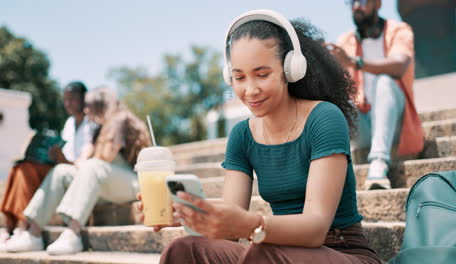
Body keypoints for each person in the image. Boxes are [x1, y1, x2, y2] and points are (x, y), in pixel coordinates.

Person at [138, 9, 382, 264]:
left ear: (290, 69)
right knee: (183, 249)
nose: (250, 90)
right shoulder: (242, 135)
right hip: (273, 251)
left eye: (262, 74)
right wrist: (191, 215)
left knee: (264, 251)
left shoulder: (324, 118)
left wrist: (253, 225)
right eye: (239, 77)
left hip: (341, 252)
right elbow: (230, 232)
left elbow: (316, 228)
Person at [4, 86, 151, 255]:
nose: (86, 111)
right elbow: (86, 163)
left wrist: (85, 158)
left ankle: (73, 233)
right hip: (108, 180)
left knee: (93, 165)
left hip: (134, 181)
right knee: (61, 171)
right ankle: (33, 233)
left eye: (89, 107)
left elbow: (104, 158)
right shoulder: (100, 128)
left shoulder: (119, 120)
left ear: (100, 106)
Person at [327, 0, 424, 189]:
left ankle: (378, 164)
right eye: (351, 2)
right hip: (362, 126)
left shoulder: (399, 30)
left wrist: (355, 62)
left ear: (378, 4)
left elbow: (399, 66)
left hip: (397, 126)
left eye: (362, 1)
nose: (356, 6)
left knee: (385, 81)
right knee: (333, 99)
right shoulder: (345, 40)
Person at [0, 81, 95, 247]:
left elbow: (83, 163)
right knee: (19, 167)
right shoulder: (69, 124)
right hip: (59, 166)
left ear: (83, 99)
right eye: (66, 99)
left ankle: (23, 226)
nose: (68, 103)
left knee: (27, 170)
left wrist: (62, 159)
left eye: (72, 99)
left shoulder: (92, 124)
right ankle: (10, 227)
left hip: (72, 172)